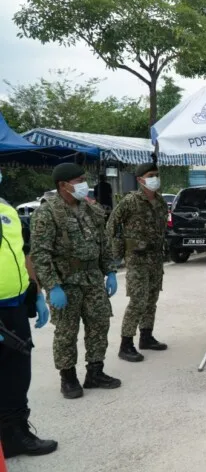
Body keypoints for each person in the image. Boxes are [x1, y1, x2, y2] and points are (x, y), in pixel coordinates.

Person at [30, 163, 122, 399]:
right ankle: (68, 377)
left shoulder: (91, 210)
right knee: (66, 331)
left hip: (92, 279)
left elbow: (104, 243)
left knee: (100, 323)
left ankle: (95, 372)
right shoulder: (47, 213)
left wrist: (110, 271)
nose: (84, 185)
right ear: (63, 185)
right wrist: (52, 286)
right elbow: (40, 253)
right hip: (65, 281)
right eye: (79, 180)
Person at [0, 168, 58, 458]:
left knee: (17, 374)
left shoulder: (6, 208)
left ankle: (15, 435)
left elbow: (24, 253)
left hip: (15, 306)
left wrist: (35, 293)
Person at [107, 162, 169, 363]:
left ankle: (146, 336)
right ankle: (126, 344)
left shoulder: (160, 201)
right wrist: (118, 251)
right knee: (137, 301)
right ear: (140, 179)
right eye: (151, 175)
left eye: (157, 175)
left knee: (152, 298)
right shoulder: (130, 201)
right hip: (137, 258)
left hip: (155, 258)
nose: (155, 179)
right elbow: (112, 225)